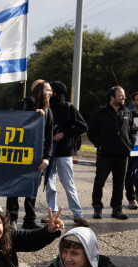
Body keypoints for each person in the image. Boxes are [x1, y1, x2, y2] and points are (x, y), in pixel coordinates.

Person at [7, 80, 53, 230]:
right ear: (39, 91)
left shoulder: (48, 111)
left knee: (32, 187)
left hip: (36, 156)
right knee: (13, 187)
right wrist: (31, 117)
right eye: (48, 90)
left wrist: (46, 157)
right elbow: (9, 122)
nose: (50, 94)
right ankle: (11, 218)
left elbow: (49, 137)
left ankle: (29, 219)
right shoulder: (21, 104)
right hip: (17, 154)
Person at [44, 81, 91, 227]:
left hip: (64, 152)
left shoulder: (69, 107)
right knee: (49, 185)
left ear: (56, 93)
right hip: (48, 152)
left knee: (68, 184)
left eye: (51, 91)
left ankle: (78, 215)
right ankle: (52, 214)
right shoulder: (46, 107)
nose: (49, 93)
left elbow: (83, 126)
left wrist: (63, 134)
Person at [88, 86, 136, 220]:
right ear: (112, 97)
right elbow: (91, 131)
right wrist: (100, 145)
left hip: (122, 155)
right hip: (105, 155)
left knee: (119, 184)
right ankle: (97, 208)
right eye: (121, 95)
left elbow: (133, 131)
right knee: (99, 183)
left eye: (124, 95)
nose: (124, 97)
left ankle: (117, 209)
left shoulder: (127, 112)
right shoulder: (100, 112)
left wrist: (130, 145)